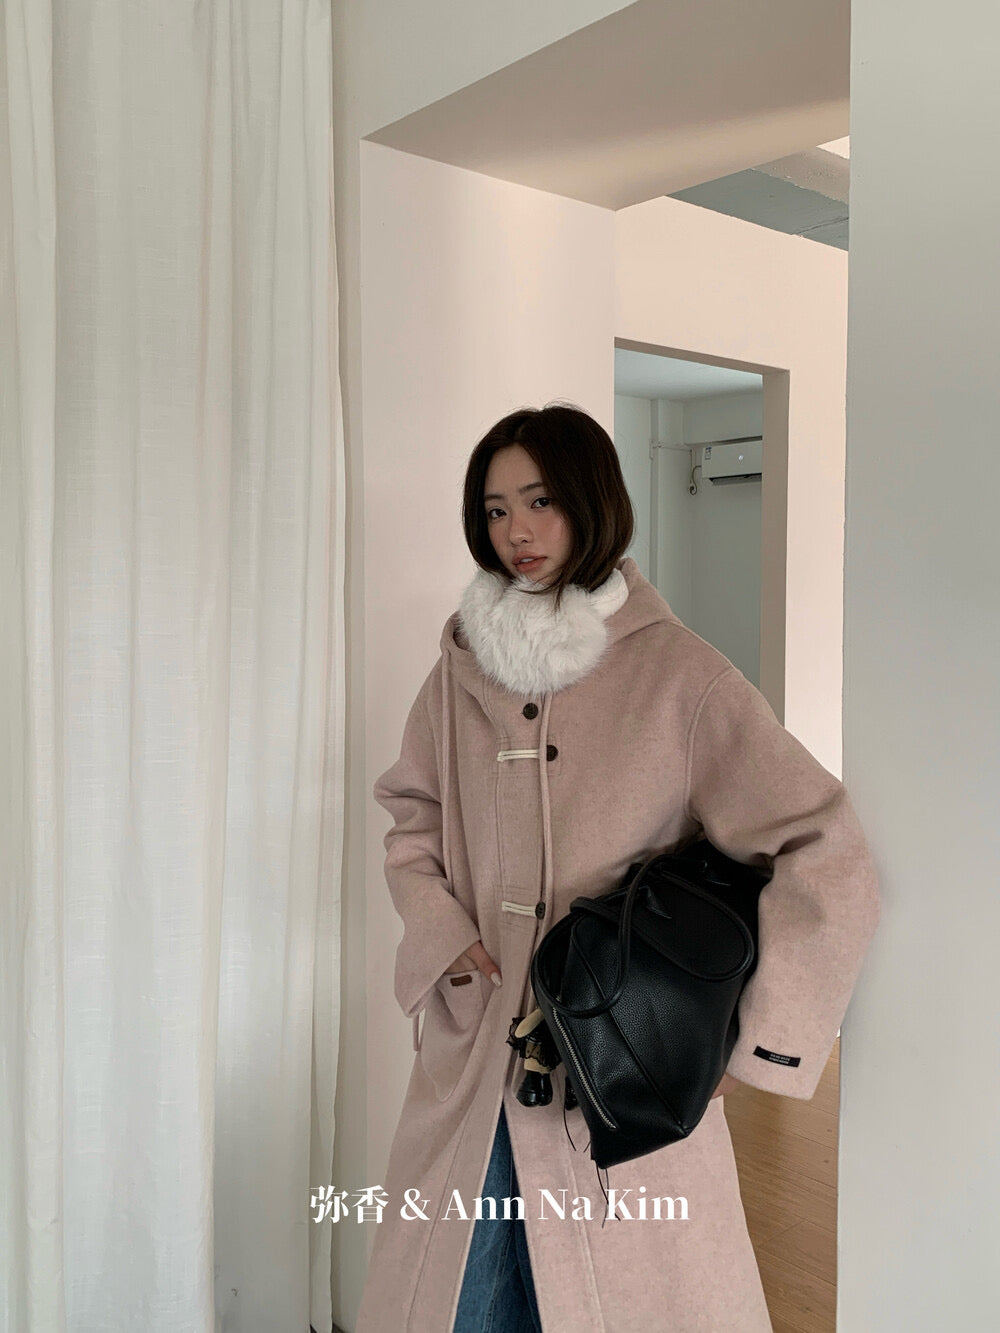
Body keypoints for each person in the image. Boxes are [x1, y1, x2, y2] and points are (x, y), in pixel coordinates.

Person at [355, 404, 879, 1332]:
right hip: (476, 1057)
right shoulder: (461, 670)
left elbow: (822, 842)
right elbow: (412, 814)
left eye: (541, 501)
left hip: (621, 1064)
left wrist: (751, 1044)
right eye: (495, 509)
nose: (516, 531)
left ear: (592, 501)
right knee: (459, 1299)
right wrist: (444, 934)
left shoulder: (681, 676)